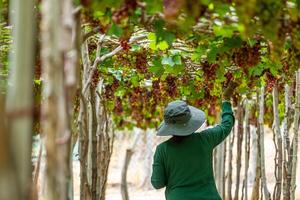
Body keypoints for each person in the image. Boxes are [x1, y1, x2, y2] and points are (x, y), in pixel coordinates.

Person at [151, 82, 237, 200]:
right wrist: (226, 100)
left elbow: (157, 183)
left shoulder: (162, 150)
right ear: (190, 120)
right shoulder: (206, 139)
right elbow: (227, 125)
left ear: (168, 125)